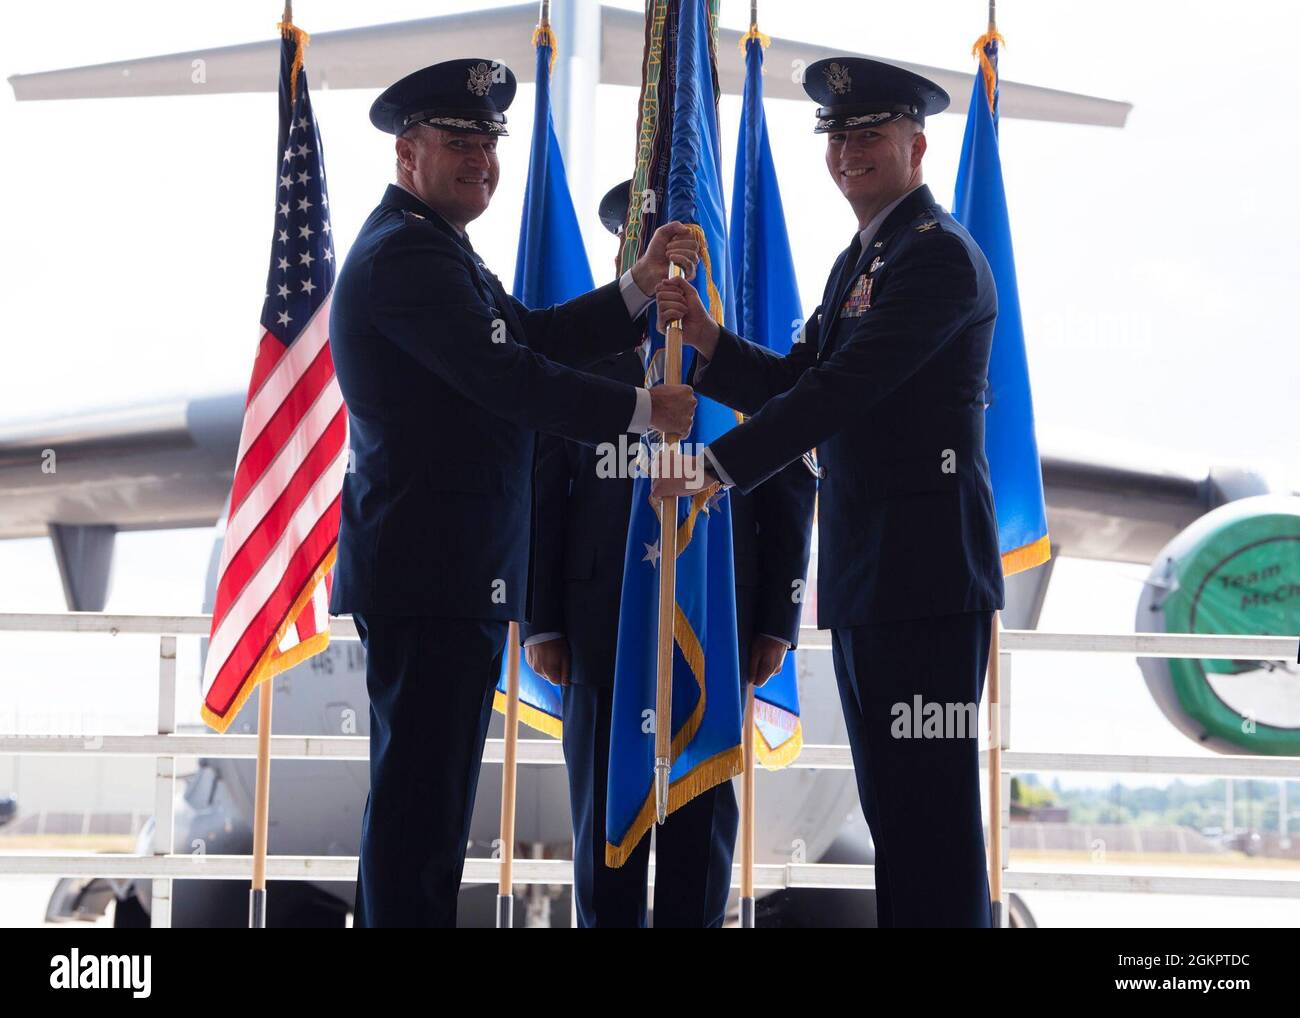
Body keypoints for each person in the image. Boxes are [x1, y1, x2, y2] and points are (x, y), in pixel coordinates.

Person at [328, 59, 700, 927]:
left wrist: (638, 288)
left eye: (489, 144)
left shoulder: (434, 249)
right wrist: (645, 409)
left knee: (429, 801)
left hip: (444, 572)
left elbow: (530, 336)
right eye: (459, 143)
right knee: (421, 806)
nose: (481, 161)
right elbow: (511, 377)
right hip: (429, 572)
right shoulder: (405, 260)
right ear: (405, 154)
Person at [653, 58, 1005, 927]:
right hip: (871, 578)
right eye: (838, 138)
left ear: (917, 144)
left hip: (925, 588)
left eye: (870, 134)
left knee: (932, 818)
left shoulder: (937, 261)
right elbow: (801, 377)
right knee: (897, 813)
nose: (850, 152)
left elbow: (841, 392)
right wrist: (706, 339)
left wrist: (716, 466)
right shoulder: (866, 257)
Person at [522, 180, 816, 927]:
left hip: (717, 616)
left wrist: (777, 618)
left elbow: (788, 479)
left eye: (688, 259)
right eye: (657, 256)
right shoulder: (586, 355)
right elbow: (543, 483)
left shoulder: (737, 359)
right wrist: (543, 620)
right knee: (606, 821)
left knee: (702, 825)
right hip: (600, 621)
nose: (672, 276)